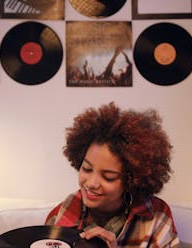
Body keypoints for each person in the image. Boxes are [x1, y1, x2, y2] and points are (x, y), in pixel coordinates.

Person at [45, 102, 180, 247]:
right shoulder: (59, 216)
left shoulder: (156, 217)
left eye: (108, 177)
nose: (91, 183)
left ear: (132, 180)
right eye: (86, 169)